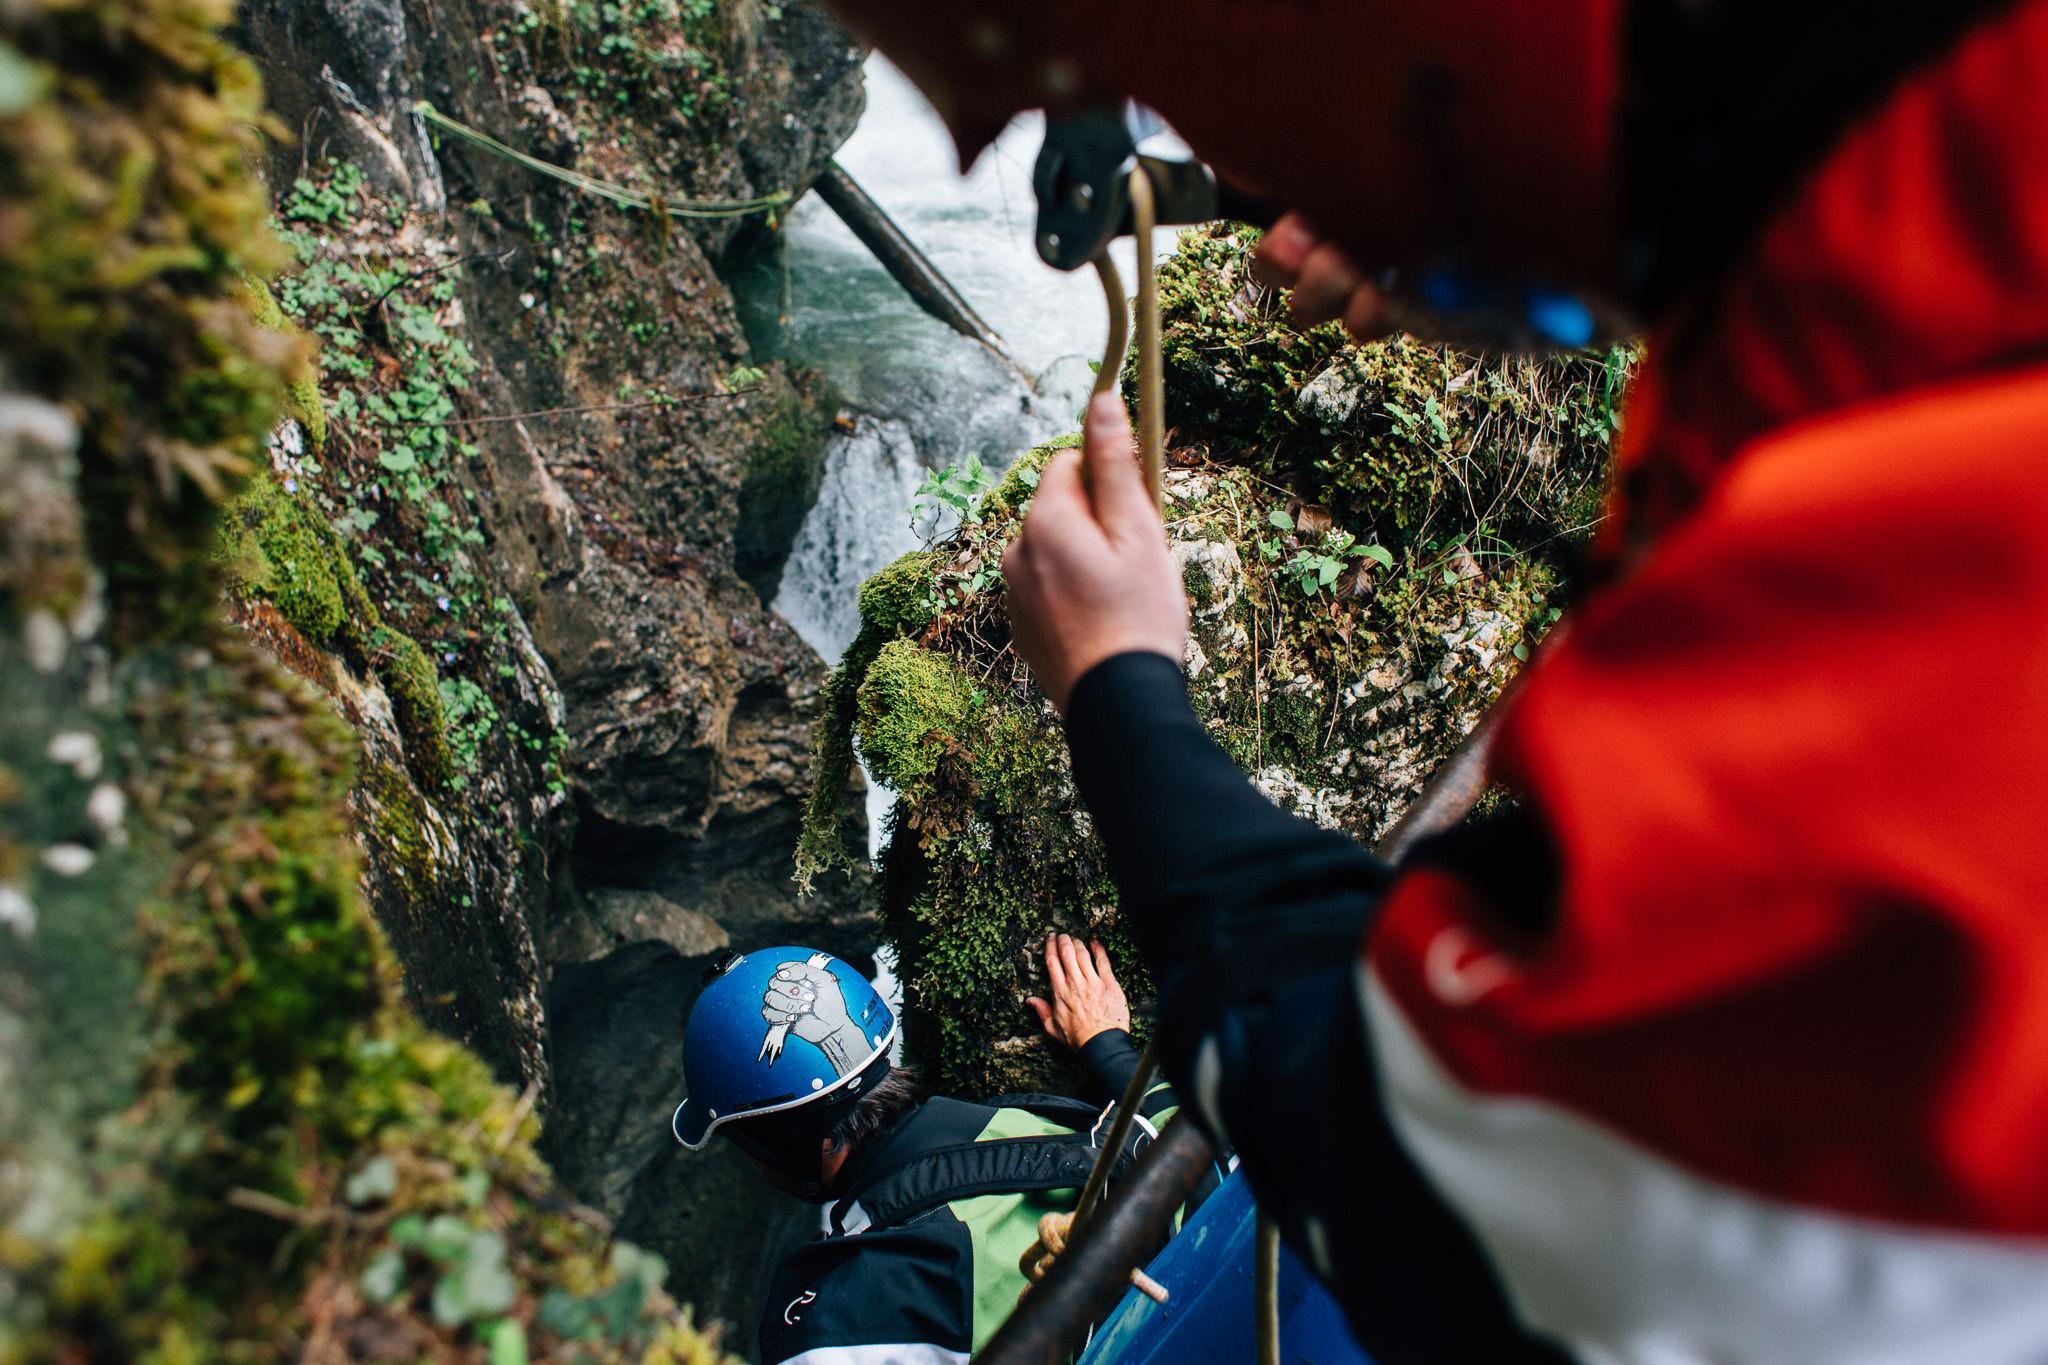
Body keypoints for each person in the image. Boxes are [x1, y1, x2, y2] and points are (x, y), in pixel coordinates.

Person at [821, 3, 2048, 1363]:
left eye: (1113, 87)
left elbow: (1462, 1178)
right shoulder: (1951, 155)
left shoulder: (1963, 542)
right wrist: (1507, 230)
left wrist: (1119, 695)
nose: (1274, 223)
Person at [672, 936, 1186, 1364]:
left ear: (797, 1144)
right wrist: (1106, 1044)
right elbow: (1201, 1152)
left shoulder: (837, 1326)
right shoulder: (1037, 1126)